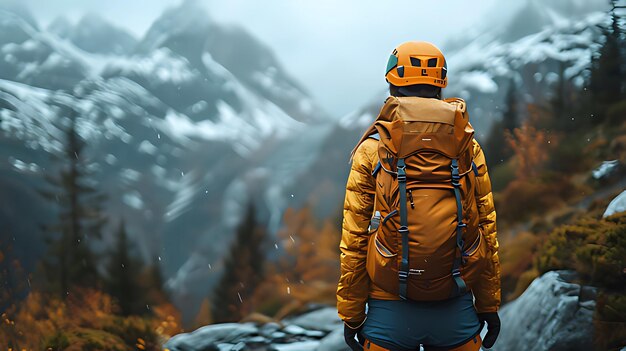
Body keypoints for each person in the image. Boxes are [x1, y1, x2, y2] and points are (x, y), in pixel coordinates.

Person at [337, 41, 501, 351]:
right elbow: (485, 228)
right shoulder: (467, 146)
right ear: (441, 84)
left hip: (390, 312)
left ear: (391, 83)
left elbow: (356, 240)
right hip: (456, 308)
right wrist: (489, 304)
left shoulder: (373, 150)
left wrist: (352, 313)